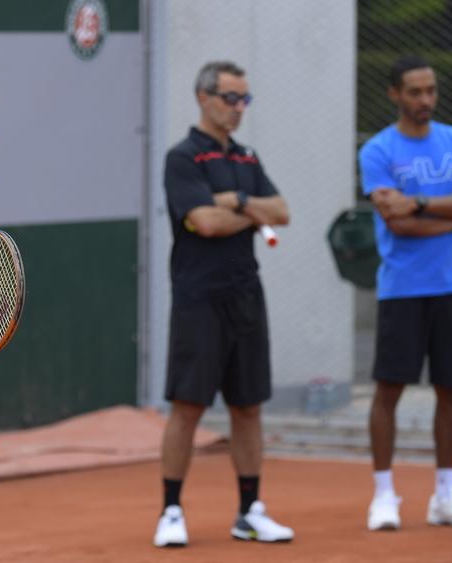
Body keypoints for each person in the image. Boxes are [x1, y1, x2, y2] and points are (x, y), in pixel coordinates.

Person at [153, 61, 293, 548]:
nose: (238, 109)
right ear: (204, 97)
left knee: (248, 407)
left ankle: (250, 511)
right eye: (230, 98)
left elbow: (282, 211)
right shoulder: (182, 158)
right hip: (198, 298)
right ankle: (171, 510)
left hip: (245, 296)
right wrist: (245, 211)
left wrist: (234, 202)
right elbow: (203, 223)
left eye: (244, 100)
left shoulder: (248, 158)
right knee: (188, 406)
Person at [359, 55, 452, 531]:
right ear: (395, 94)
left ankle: (446, 495)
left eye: (430, 90)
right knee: (388, 390)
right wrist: (451, 215)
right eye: (414, 92)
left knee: (451, 389)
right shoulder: (377, 151)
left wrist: (420, 201)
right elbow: (397, 223)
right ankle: (384, 495)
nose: (425, 100)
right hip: (402, 291)